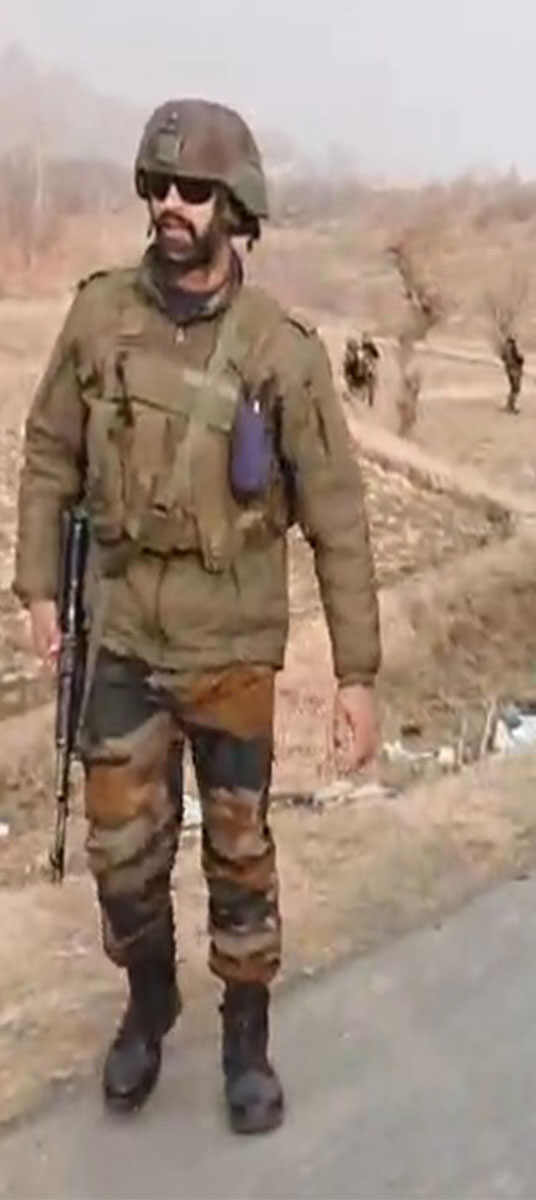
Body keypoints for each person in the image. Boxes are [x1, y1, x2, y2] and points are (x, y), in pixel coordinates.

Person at [11, 99, 382, 1136]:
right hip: (123, 628)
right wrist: (41, 584)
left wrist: (358, 675)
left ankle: (245, 1037)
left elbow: (338, 518)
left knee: (238, 850)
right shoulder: (98, 316)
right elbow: (49, 453)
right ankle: (149, 995)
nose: (171, 206)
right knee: (122, 855)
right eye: (160, 186)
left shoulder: (283, 353)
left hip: (229, 646)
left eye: (194, 190)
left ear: (237, 206)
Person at [499, 332, 525, 414]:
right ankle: (510, 406)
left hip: (508, 368)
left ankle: (510, 405)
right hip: (515, 368)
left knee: (513, 388)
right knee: (515, 388)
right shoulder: (512, 346)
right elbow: (516, 357)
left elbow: (502, 357)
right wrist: (520, 360)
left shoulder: (505, 345)